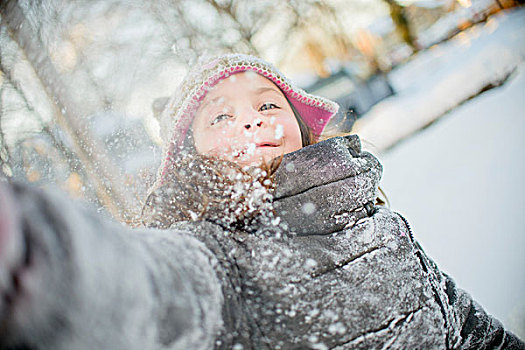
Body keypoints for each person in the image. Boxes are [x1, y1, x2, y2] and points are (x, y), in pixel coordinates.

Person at [141, 53, 524, 349]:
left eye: (268, 105)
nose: (251, 120)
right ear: (189, 160)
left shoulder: (365, 210)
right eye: (221, 116)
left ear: (300, 125)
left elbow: (469, 327)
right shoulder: (213, 254)